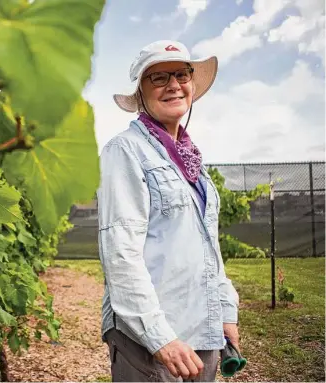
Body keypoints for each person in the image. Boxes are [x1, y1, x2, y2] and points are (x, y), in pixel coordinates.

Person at [96, 40, 240, 382]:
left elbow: (209, 250)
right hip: (153, 339)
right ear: (141, 93)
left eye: (181, 74)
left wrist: (225, 311)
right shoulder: (125, 152)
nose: (174, 85)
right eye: (158, 78)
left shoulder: (193, 164)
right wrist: (161, 338)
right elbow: (120, 254)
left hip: (201, 330)